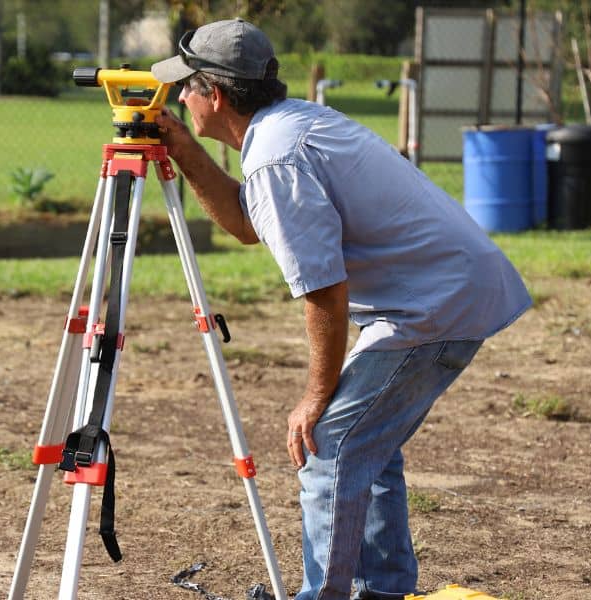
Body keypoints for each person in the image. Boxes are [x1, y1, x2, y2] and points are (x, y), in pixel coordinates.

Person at [151, 19, 531, 600]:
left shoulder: (278, 157)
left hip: (433, 306)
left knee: (329, 443)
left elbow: (325, 289)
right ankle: (379, 590)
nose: (179, 97)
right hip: (444, 292)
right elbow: (248, 224)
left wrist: (313, 396)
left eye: (187, 88)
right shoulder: (289, 126)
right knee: (365, 445)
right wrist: (182, 148)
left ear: (217, 95)